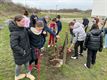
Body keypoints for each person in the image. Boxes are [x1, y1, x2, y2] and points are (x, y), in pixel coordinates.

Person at [9, 15, 35, 80]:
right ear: (17, 22)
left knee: (27, 63)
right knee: (19, 65)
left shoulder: (23, 28)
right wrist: (22, 51)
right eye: (23, 22)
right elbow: (14, 45)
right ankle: (17, 76)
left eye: (25, 21)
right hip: (20, 53)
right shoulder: (14, 33)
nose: (25, 23)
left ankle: (28, 74)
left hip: (26, 51)